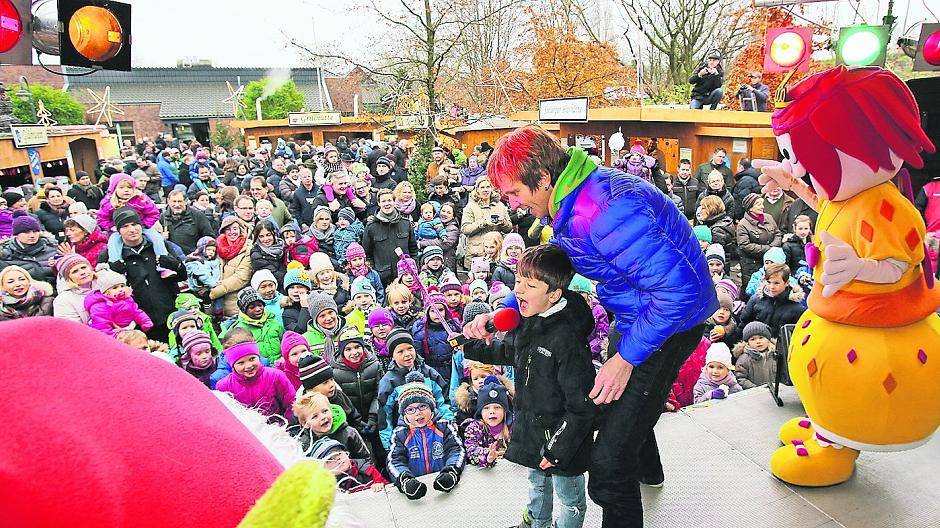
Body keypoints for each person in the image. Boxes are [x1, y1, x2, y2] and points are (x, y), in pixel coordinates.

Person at [485, 126, 715, 527]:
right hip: (636, 315)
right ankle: (650, 471)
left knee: (608, 466)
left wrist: (625, 358)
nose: (513, 204)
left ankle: (628, 474)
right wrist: (509, 309)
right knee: (622, 407)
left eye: (514, 193)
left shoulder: (604, 209)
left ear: (542, 179)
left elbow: (678, 294)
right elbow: (555, 266)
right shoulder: (573, 201)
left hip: (669, 324)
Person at [463, 245, 594, 528]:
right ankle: (537, 522)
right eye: (518, 281)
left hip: (563, 443)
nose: (519, 291)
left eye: (529, 285)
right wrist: (470, 346)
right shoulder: (528, 320)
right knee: (537, 486)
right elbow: (512, 352)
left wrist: (556, 450)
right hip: (534, 432)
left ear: (554, 294)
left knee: (569, 500)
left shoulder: (568, 340)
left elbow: (582, 407)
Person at [96, 208, 186, 342]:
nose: (131, 229)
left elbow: (183, 275)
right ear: (118, 230)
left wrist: (174, 264)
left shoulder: (160, 246)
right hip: (136, 320)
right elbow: (104, 291)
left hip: (168, 312)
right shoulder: (109, 255)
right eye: (125, 226)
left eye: (134, 224)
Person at [387, 371, 466, 500]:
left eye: (423, 406)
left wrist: (451, 472)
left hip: (445, 490)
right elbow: (394, 460)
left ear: (431, 407)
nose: (418, 413)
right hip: (420, 492)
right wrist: (405, 479)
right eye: (410, 409)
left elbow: (456, 450)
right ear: (404, 414)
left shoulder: (445, 426)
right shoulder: (399, 434)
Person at [377, 328, 453, 448]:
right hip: (407, 438)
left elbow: (442, 401)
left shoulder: (429, 373)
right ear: (392, 356)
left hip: (434, 433)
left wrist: (449, 424)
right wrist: (389, 445)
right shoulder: (389, 382)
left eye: (409, 348)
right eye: (400, 352)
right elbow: (385, 417)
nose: (407, 354)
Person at [215, 331, 296, 419]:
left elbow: (291, 403)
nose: (249, 366)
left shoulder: (275, 376)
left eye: (252, 359)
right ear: (232, 364)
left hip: (279, 428)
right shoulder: (224, 386)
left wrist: (289, 425)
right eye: (241, 363)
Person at [289, 391, 371, 460]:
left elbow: (365, 459)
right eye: (315, 416)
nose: (323, 417)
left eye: (325, 411)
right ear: (305, 424)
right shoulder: (305, 444)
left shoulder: (349, 433)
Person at [362, 189, 418, 285]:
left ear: (394, 202)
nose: (387, 204)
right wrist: (375, 272)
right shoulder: (371, 227)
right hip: (382, 278)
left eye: (389, 200)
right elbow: (367, 254)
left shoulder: (405, 223)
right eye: (383, 201)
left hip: (405, 277)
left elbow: (413, 249)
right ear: (379, 203)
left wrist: (413, 269)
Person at [221, 287, 285, 364]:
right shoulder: (239, 330)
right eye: (252, 307)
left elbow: (284, 342)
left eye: (260, 305)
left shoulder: (274, 322)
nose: (258, 309)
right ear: (244, 309)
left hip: (281, 366)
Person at [460, 176, 512, 269]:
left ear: (492, 189)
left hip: (496, 254)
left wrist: (503, 222)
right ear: (477, 190)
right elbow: (465, 229)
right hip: (476, 253)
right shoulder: (470, 207)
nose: (485, 190)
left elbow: (509, 228)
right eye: (482, 187)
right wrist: (483, 223)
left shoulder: (500, 205)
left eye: (488, 187)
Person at [85, 267, 154, 337]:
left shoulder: (127, 299)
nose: (120, 289)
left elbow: (136, 311)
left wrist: (145, 321)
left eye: (122, 286)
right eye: (115, 288)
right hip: (114, 335)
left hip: (128, 331)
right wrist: (114, 336)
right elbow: (102, 324)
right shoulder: (101, 305)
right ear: (105, 292)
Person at [739, 262, 804, 335]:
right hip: (755, 343)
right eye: (769, 282)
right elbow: (743, 324)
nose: (772, 287)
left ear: (787, 283)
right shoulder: (755, 300)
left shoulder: (797, 308)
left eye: (776, 283)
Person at [462, 376, 513, 468]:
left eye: (497, 407)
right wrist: (487, 456)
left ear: (505, 410)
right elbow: (471, 450)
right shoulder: (474, 428)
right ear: (480, 412)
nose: (492, 411)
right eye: (486, 408)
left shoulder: (513, 426)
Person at [736, 193, 782, 290]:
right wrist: (768, 249)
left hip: (770, 262)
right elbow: (744, 245)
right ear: (750, 207)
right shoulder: (743, 224)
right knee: (752, 289)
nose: (762, 206)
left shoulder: (769, 217)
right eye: (758, 204)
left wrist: (773, 246)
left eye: (762, 204)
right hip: (752, 264)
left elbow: (777, 233)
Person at [210, 216, 253, 318]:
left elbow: (241, 277)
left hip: (235, 305)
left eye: (235, 228)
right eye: (228, 229)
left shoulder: (248, 249)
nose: (232, 232)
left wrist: (213, 292)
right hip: (214, 306)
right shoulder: (215, 247)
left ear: (240, 230)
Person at [309, 438, 388, 493]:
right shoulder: (324, 489)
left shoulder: (367, 469)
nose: (338, 459)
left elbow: (388, 487)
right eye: (330, 459)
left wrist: (380, 484)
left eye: (339, 453)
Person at [0, 212, 59, 284]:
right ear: (16, 234)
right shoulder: (5, 255)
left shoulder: (53, 247)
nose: (32, 235)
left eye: (35, 231)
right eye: (26, 232)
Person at [161, 190, 214, 255]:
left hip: (193, 258)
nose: (177, 205)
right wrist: (161, 237)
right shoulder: (163, 217)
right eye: (174, 201)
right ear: (168, 201)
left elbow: (209, 238)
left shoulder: (197, 215)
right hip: (171, 259)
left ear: (185, 202)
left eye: (180, 201)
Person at [52, 253, 97, 324]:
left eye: (84, 267)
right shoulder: (63, 300)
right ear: (68, 278)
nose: (82, 272)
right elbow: (72, 329)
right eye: (75, 271)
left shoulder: (104, 284)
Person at [732, 321, 776, 389]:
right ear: (747, 343)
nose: (758, 341)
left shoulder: (776, 355)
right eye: (753, 339)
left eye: (761, 337)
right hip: (755, 394)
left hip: (777, 392)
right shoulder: (744, 359)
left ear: (768, 339)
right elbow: (740, 378)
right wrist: (756, 388)